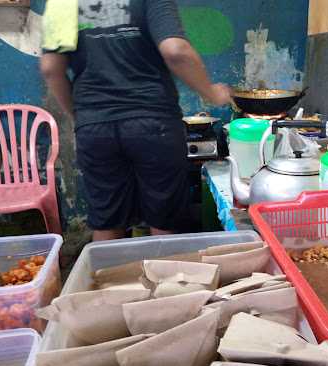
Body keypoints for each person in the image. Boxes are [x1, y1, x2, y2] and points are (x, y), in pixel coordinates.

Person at [40, 0, 231, 241]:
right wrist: (212, 93)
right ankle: (165, 277)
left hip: (94, 124)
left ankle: (106, 278)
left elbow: (50, 68)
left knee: (107, 221)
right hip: (153, 120)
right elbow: (176, 50)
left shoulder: (62, 2)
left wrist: (82, 118)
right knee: (165, 221)